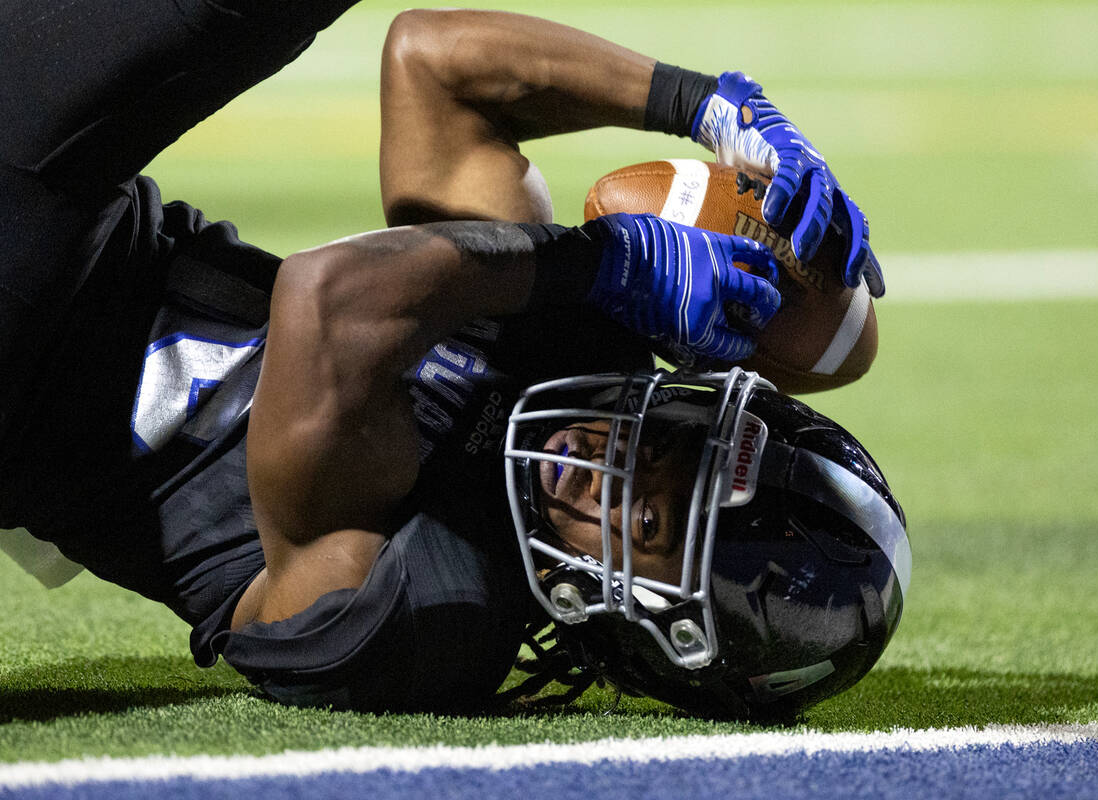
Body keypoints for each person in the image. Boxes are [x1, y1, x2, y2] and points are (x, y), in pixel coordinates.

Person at [0, 2, 906, 719]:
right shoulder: (571, 366)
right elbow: (430, 61)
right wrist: (705, 105)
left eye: (652, 523)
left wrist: (596, 263)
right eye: (670, 444)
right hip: (79, 213)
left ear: (659, 631)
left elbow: (329, 302)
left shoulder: (431, 620)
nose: (611, 466)